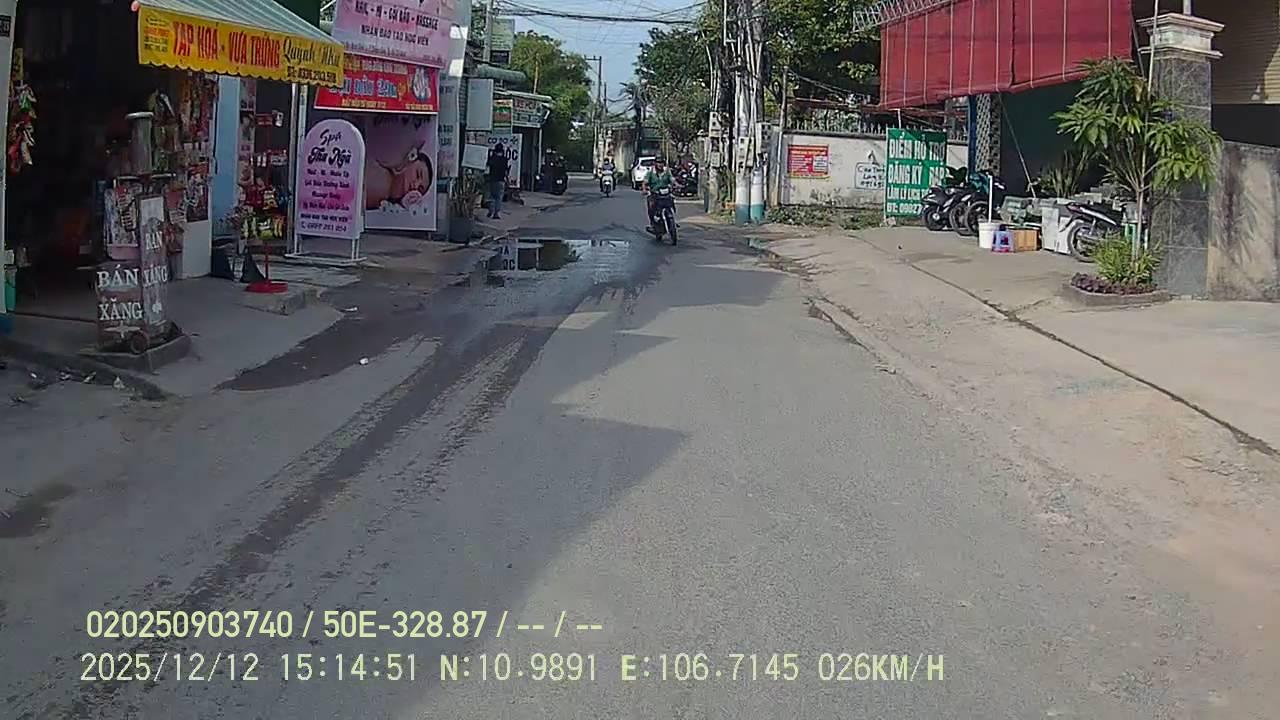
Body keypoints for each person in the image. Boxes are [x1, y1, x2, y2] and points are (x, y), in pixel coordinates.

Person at [365, 144, 434, 210]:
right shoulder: (378, 169)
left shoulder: (390, 208)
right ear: (410, 159)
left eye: (419, 189)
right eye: (417, 174)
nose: (415, 185)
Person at [643, 156, 675, 230]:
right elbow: (645, 182)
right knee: (651, 207)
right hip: (655, 194)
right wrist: (644, 189)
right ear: (655, 164)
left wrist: (676, 185)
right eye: (658, 163)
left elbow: (672, 179)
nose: (660, 165)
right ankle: (653, 224)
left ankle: (671, 221)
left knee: (671, 201)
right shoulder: (651, 172)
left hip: (665, 194)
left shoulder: (667, 171)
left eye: (662, 163)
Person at [486, 143, 509, 220]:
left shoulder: (492, 158)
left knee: (492, 196)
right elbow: (506, 170)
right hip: (501, 180)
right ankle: (496, 213)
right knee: (499, 197)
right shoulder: (505, 160)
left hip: (492, 180)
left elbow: (488, 166)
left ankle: (491, 210)